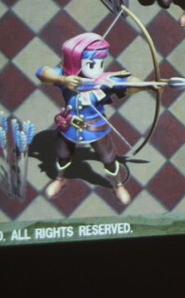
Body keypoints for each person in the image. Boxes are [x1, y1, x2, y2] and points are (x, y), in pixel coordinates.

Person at [36, 32, 151, 205]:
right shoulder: (68, 76)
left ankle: (118, 185)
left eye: (100, 63)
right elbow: (41, 72)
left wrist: (145, 85)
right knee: (63, 155)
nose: (97, 69)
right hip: (69, 126)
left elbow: (128, 82)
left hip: (95, 128)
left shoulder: (105, 80)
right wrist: (63, 79)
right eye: (91, 64)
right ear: (77, 61)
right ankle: (60, 179)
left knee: (108, 158)